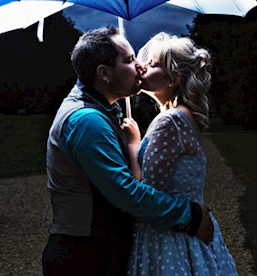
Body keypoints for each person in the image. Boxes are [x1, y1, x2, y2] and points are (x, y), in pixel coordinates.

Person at [42, 26, 214, 276]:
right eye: (130, 60)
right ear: (104, 73)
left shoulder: (101, 110)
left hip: (99, 249)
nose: (139, 66)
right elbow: (125, 191)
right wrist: (190, 215)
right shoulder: (86, 120)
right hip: (86, 256)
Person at [123, 32, 238, 275]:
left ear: (174, 79)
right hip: (187, 231)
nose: (142, 68)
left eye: (152, 64)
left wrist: (133, 144)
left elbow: (147, 192)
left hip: (170, 237)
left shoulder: (171, 121)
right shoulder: (183, 116)